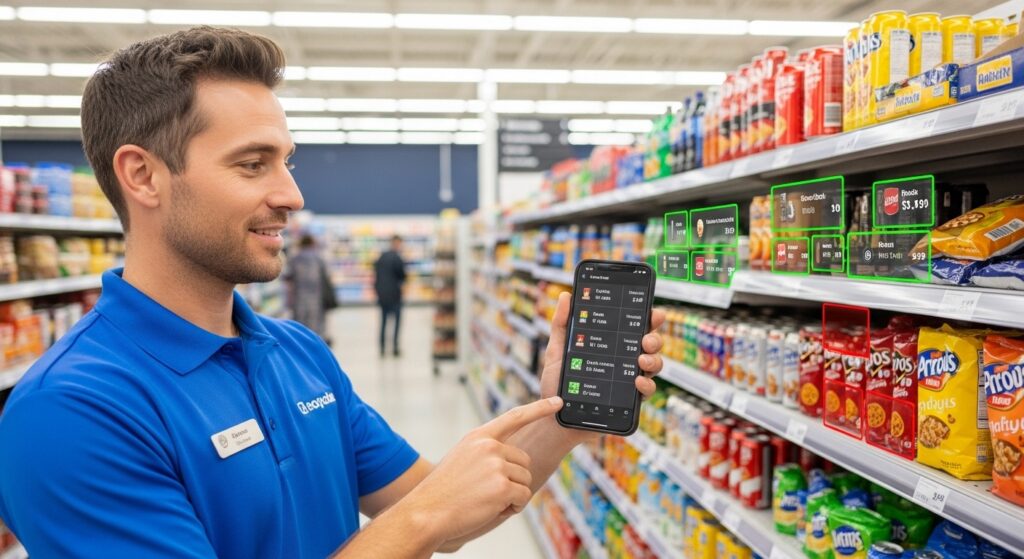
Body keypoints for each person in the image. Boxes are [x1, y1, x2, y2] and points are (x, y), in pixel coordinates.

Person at [0, 27, 666, 559]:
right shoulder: (69, 412)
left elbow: (449, 512)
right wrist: (426, 517)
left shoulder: (297, 352)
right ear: (142, 175)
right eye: (253, 163)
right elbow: (429, 514)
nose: (292, 195)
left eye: (287, 162)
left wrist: (564, 417)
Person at [286, 233, 335, 343]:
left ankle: (301, 347)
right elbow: (327, 277)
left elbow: (288, 277)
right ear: (313, 244)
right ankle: (316, 347)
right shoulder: (319, 258)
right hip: (317, 298)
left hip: (299, 299)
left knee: (299, 326)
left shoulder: (295, 259)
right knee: (317, 326)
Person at [374, 234, 406, 356]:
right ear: (396, 243)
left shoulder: (381, 257)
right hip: (395, 294)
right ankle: (395, 347)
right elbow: (402, 276)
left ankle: (382, 348)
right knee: (396, 322)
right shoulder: (397, 258)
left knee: (383, 322)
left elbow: (376, 274)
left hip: (382, 294)